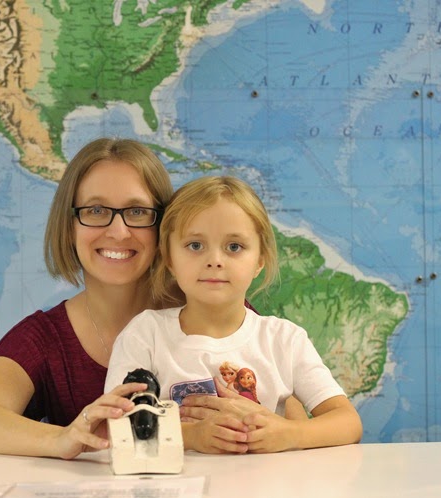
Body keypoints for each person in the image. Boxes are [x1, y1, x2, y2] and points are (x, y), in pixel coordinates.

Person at [104, 175, 363, 453]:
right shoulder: (146, 334)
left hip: (270, 481)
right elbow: (115, 424)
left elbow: (348, 422)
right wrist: (190, 436)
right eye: (195, 245)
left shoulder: (284, 340)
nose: (215, 260)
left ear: (260, 260)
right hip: (182, 481)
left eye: (234, 247)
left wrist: (289, 433)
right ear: (169, 258)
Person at [0, 137, 176, 459]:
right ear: (68, 226)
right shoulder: (43, 339)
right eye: (96, 210)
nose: (119, 232)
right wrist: (65, 437)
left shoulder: (215, 312)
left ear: (162, 225)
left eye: (138, 211)